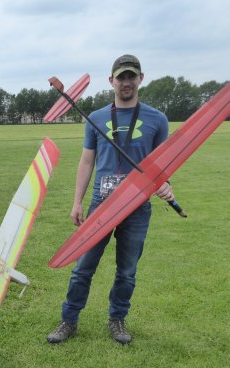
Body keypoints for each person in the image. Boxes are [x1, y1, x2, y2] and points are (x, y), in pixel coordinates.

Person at [47, 54, 176, 345]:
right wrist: (77, 201)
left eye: (131, 76)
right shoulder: (96, 118)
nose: (126, 82)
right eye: (121, 77)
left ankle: (117, 319)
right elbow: (86, 161)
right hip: (101, 206)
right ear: (111, 81)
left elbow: (163, 165)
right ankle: (69, 320)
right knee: (83, 268)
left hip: (137, 208)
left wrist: (166, 184)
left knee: (127, 272)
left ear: (140, 78)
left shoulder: (157, 119)